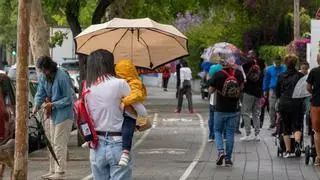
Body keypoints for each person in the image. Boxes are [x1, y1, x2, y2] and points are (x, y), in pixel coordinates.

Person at [85, 50, 132, 179]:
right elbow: (135, 110)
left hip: (96, 144)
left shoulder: (86, 86)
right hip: (118, 144)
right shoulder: (120, 83)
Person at [32, 56, 74, 179]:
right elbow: (40, 93)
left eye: (44, 70)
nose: (43, 73)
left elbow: (68, 98)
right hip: (52, 114)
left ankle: (60, 172)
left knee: (59, 143)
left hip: (64, 114)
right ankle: (53, 170)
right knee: (51, 143)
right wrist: (36, 106)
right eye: (41, 71)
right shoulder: (44, 77)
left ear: (50, 67)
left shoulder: (61, 75)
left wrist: (53, 104)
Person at [208, 59, 244, 167]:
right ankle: (228, 159)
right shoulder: (238, 73)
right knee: (230, 134)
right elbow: (242, 88)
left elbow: (210, 91)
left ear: (222, 65)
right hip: (234, 109)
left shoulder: (218, 74)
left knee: (218, 131)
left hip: (220, 109)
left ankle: (220, 151)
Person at [114, 59, 148, 167]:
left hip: (130, 113)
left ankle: (125, 152)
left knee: (127, 130)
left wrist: (125, 101)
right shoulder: (123, 82)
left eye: (119, 74)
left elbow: (136, 95)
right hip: (123, 112)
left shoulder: (135, 82)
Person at [276, 55, 304, 158]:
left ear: (286, 64)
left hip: (284, 103)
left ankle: (287, 150)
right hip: (296, 103)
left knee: (285, 127)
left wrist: (281, 99)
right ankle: (297, 143)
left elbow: (277, 92)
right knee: (297, 125)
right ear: (296, 63)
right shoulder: (301, 76)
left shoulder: (281, 76)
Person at [240, 50, 264, 141]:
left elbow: (244, 78)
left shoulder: (245, 66)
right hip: (258, 93)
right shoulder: (260, 64)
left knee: (246, 113)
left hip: (248, 92)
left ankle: (248, 133)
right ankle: (257, 134)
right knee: (256, 113)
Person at [263, 55, 286, 135]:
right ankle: (272, 123)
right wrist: (265, 90)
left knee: (280, 107)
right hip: (272, 89)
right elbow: (266, 79)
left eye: (279, 62)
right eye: (277, 62)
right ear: (274, 61)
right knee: (272, 107)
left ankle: (280, 122)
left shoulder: (284, 68)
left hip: (282, 90)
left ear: (281, 61)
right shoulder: (269, 69)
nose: (278, 63)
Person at [307, 54, 320, 165]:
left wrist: (314, 93)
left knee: (317, 131)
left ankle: (319, 157)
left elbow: (308, 87)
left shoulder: (314, 72)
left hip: (316, 104)